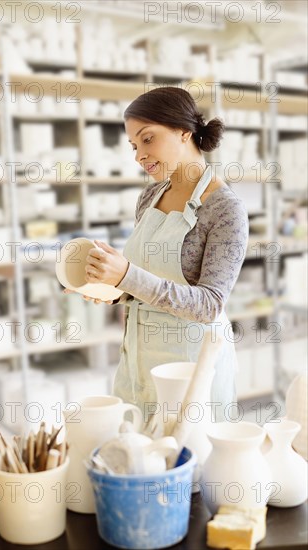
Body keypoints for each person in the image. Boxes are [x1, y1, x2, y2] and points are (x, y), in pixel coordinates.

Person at [64, 86, 249, 422]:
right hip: (137, 363)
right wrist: (110, 287)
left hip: (190, 371)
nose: (138, 155)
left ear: (183, 131)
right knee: (136, 460)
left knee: (187, 465)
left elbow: (208, 305)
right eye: (134, 146)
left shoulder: (225, 209)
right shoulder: (149, 197)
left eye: (147, 139)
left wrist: (126, 276)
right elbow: (144, 282)